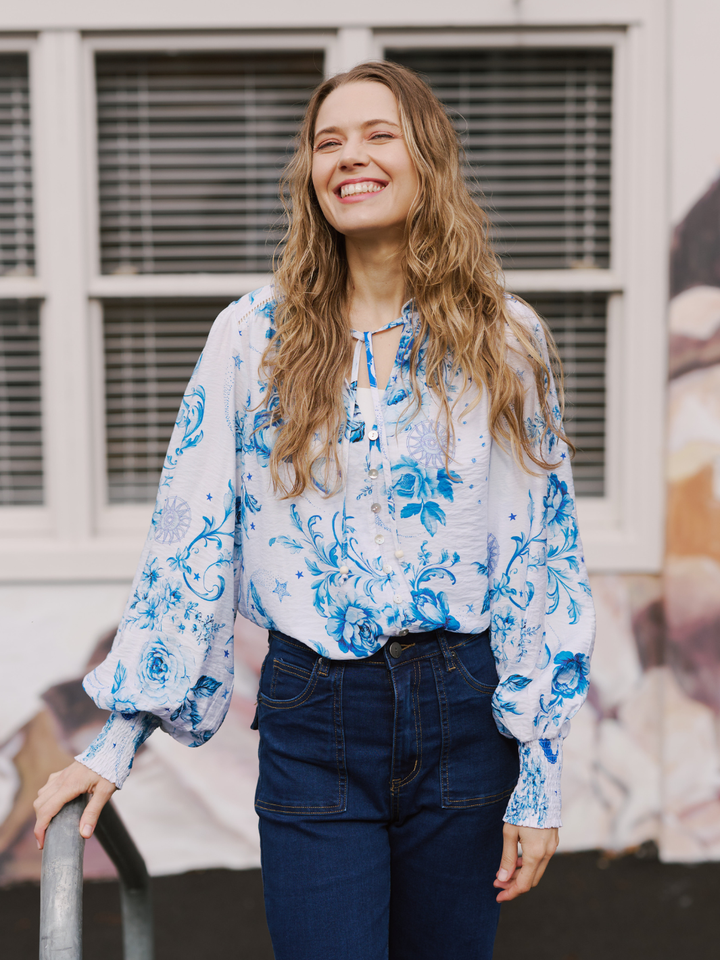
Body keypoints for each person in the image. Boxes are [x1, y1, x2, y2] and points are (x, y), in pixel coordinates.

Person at [34, 61, 595, 959]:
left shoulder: (507, 337)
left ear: (428, 160)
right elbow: (189, 539)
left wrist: (540, 775)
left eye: (379, 134)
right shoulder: (251, 338)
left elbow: (539, 553)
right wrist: (116, 740)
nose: (350, 157)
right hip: (316, 711)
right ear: (309, 175)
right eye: (327, 142)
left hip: (464, 710)